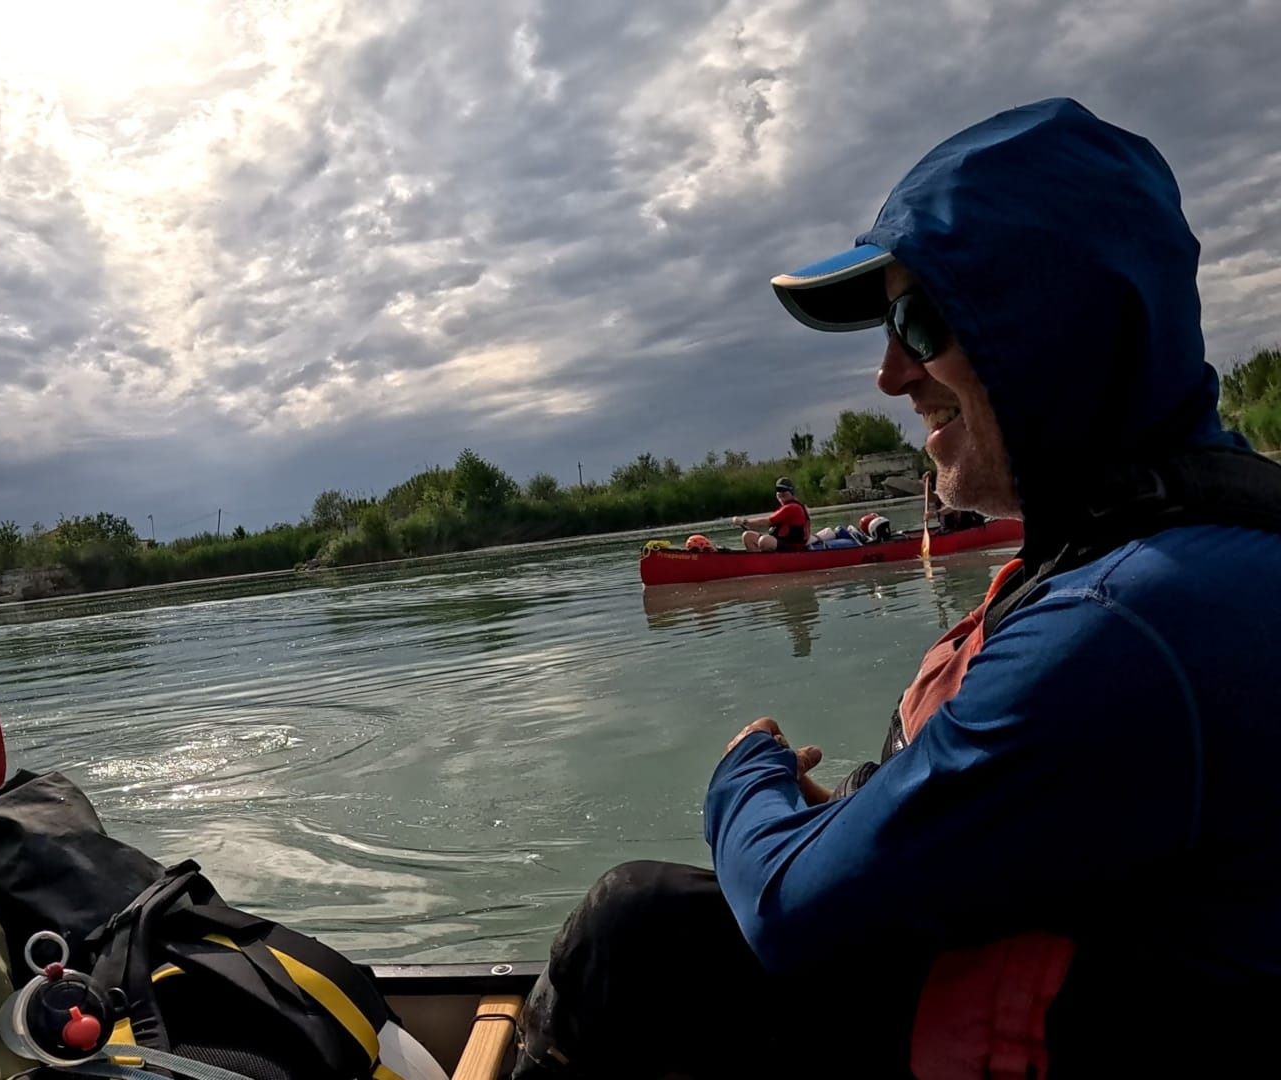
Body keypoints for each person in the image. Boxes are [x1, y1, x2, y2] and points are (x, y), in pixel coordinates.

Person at [515, 98, 1281, 1077]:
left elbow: (787, 908)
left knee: (633, 927)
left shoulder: (1125, 623)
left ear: (1051, 324)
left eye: (918, 322)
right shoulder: (1169, 549)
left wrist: (743, 776)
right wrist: (873, 813)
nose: (889, 376)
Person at [729, 477, 809, 551]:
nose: (781, 493)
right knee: (748, 536)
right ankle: (758, 560)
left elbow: (767, 522)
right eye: (778, 490)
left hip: (793, 546)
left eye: (784, 490)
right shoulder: (785, 507)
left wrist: (744, 522)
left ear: (791, 492)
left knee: (765, 540)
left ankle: (767, 559)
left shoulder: (793, 507)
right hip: (781, 542)